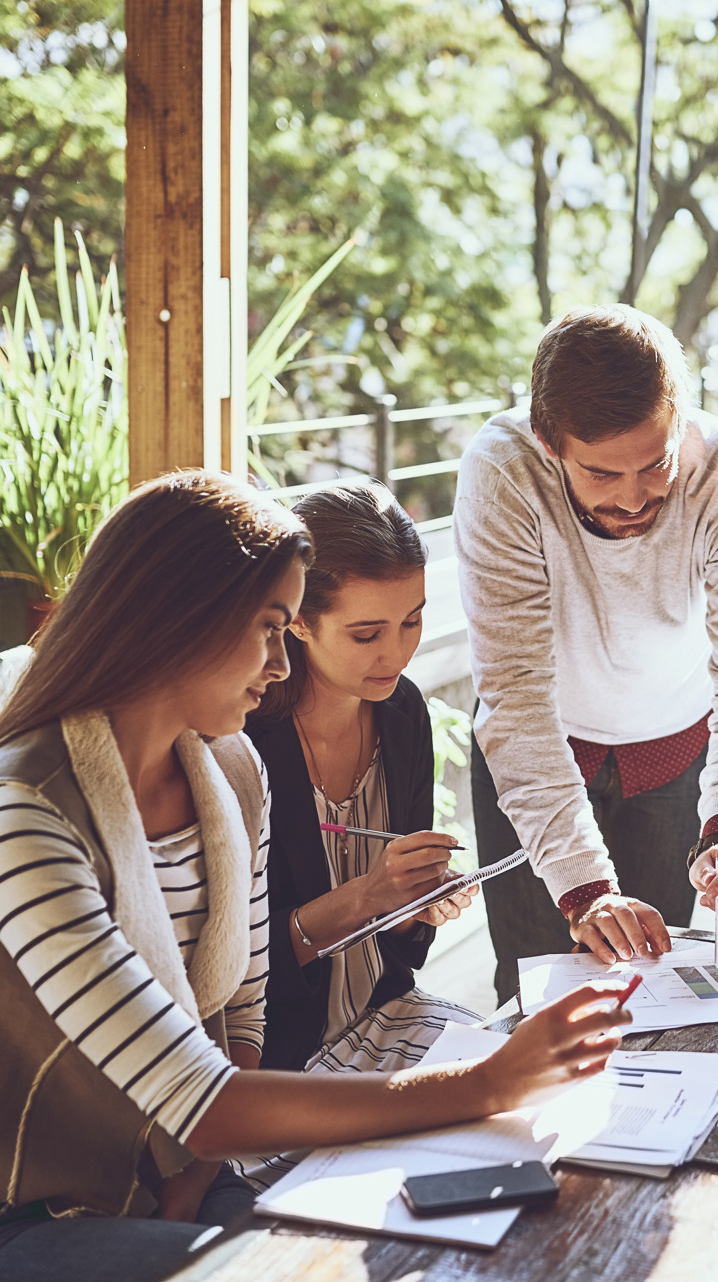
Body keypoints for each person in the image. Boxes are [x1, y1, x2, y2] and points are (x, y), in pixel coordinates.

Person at [0, 472, 630, 1282]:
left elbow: (241, 1021)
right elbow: (208, 1099)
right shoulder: (27, 813)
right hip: (37, 1213)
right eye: (270, 628)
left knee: (458, 1238)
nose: (277, 662)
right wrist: (488, 1081)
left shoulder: (228, 772)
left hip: (181, 1177)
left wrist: (195, 1192)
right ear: (177, 618)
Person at [456, 304, 718, 1003]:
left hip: (674, 757)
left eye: (655, 464)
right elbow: (514, 694)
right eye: (603, 475)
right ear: (550, 442)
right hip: (536, 753)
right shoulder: (503, 472)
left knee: (651, 994)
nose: (636, 498)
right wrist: (584, 892)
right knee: (533, 996)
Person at [239, 483, 480, 1180]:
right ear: (299, 622)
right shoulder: (245, 738)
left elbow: (403, 954)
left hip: (386, 1016)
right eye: (367, 633)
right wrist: (367, 895)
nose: (397, 653)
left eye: (412, 622)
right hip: (282, 1060)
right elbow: (237, 980)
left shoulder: (402, 713)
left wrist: (417, 905)